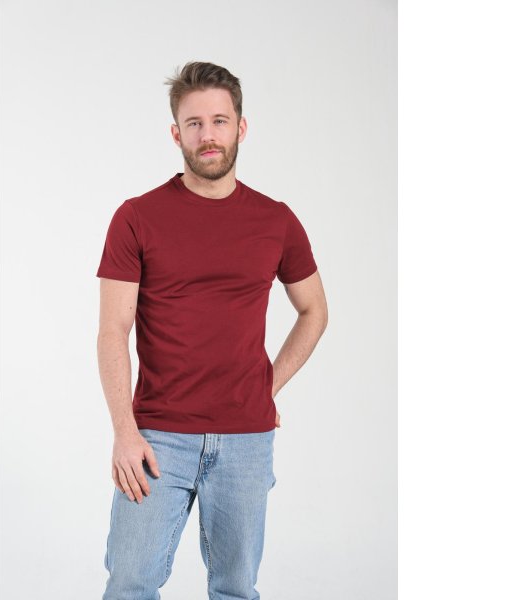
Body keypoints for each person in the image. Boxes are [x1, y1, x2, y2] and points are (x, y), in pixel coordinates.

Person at [96, 61, 328, 600]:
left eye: (219, 121)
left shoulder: (276, 220)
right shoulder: (136, 217)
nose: (208, 135)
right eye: (194, 123)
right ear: (176, 133)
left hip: (248, 439)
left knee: (235, 589)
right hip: (157, 437)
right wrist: (124, 432)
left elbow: (314, 311)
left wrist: (266, 387)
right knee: (129, 583)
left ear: (240, 127)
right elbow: (112, 331)